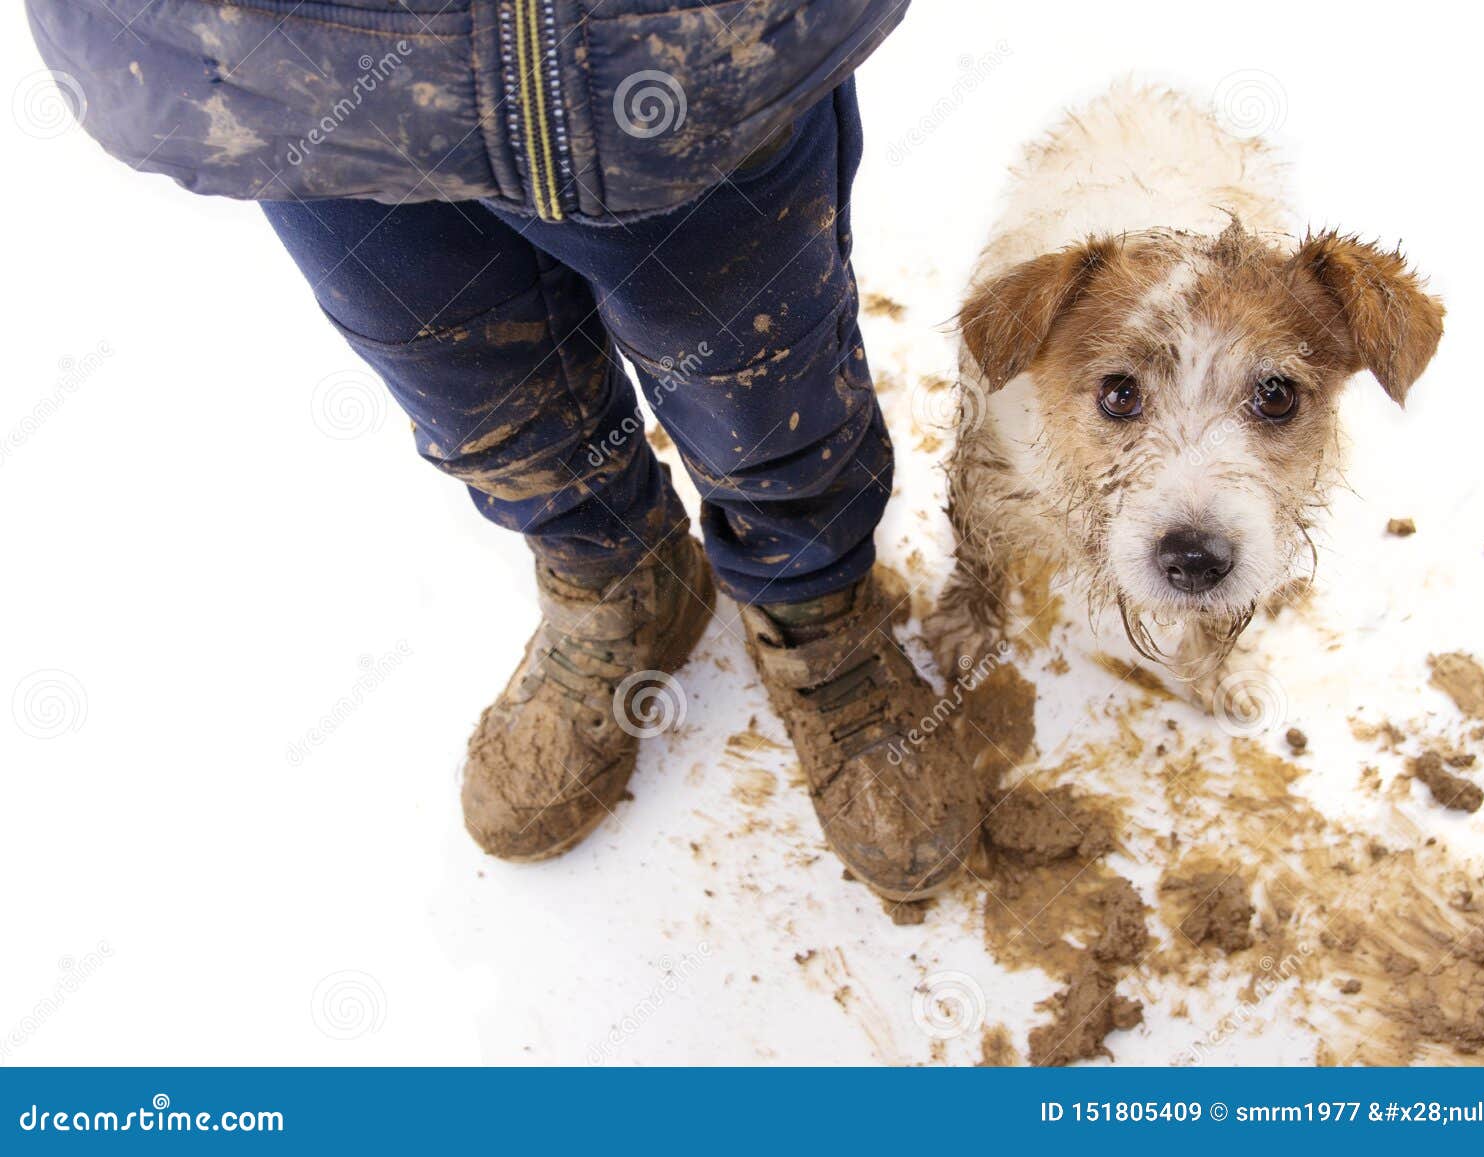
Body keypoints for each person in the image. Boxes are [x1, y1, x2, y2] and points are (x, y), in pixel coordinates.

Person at [27, 0, 978, 900]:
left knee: (759, 381)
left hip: (663, 50)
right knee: (471, 381)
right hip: (284, 66)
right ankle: (620, 580)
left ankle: (813, 605)